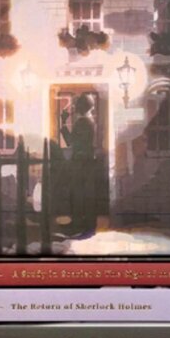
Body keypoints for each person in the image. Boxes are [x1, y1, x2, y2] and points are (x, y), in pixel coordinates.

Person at [60, 93, 97, 238]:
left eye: (76, 105)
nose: (73, 108)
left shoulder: (83, 122)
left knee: (79, 195)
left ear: (81, 107)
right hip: (86, 162)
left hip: (81, 163)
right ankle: (84, 227)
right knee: (85, 195)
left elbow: (70, 141)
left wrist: (63, 123)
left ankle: (81, 228)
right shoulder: (89, 120)